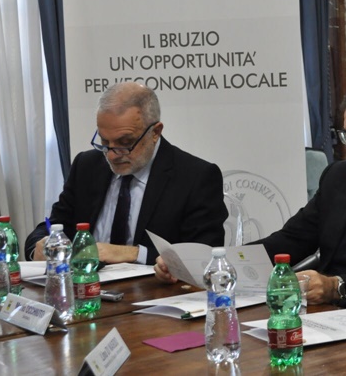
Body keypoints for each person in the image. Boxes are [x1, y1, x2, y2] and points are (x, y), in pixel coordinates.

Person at [155, 76, 346, 308]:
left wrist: (335, 287)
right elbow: (288, 241)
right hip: (322, 314)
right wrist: (209, 266)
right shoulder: (338, 177)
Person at [25, 82, 226, 265]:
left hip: (154, 290)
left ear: (155, 132)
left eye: (125, 143)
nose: (112, 155)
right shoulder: (87, 166)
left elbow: (204, 255)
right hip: (88, 285)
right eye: (104, 141)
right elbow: (56, 225)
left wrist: (133, 253)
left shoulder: (195, 177)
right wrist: (39, 245)